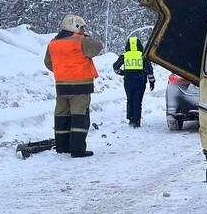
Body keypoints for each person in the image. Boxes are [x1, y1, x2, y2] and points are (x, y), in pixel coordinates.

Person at [44, 14, 102, 157]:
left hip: (61, 86)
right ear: (75, 26)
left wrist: (63, 71)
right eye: (82, 27)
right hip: (81, 86)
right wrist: (86, 37)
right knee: (79, 116)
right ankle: (77, 149)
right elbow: (97, 47)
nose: (83, 30)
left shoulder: (53, 43)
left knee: (62, 115)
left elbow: (48, 62)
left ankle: (62, 147)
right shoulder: (81, 41)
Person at [112, 34, 155, 127]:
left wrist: (122, 73)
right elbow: (149, 69)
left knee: (130, 99)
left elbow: (115, 67)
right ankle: (137, 120)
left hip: (128, 81)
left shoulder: (124, 56)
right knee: (137, 101)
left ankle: (131, 119)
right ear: (139, 45)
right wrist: (152, 81)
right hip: (140, 80)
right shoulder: (143, 56)